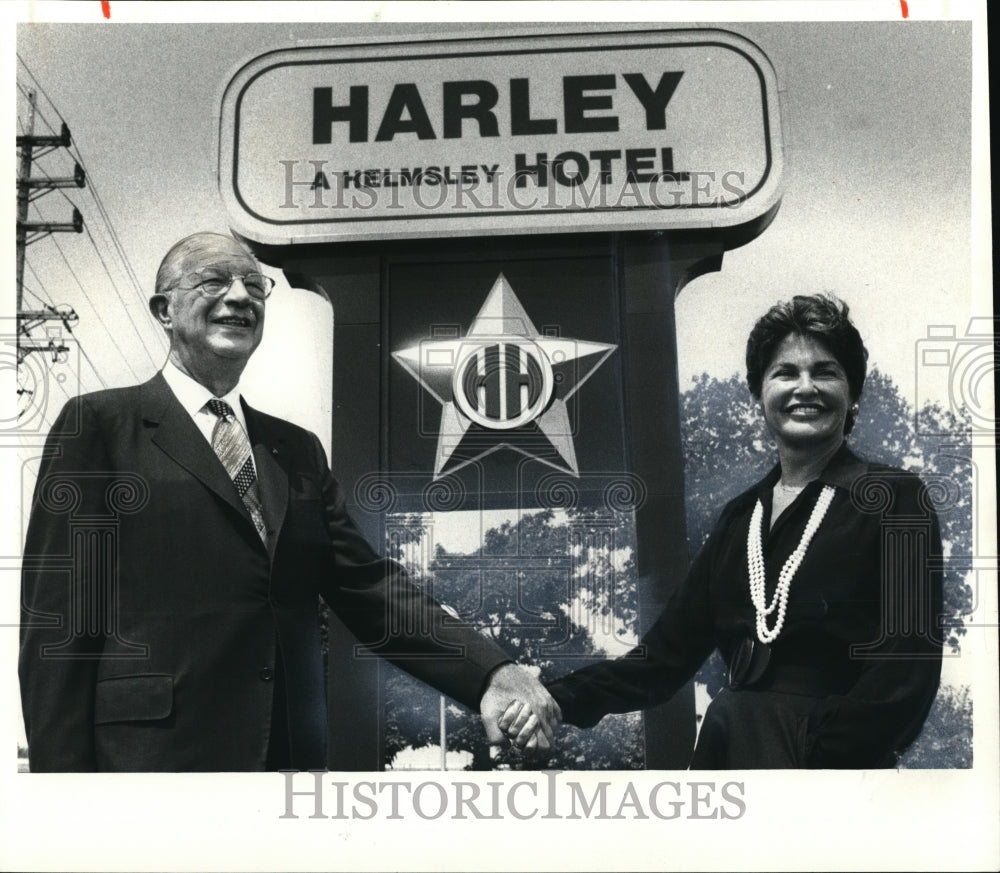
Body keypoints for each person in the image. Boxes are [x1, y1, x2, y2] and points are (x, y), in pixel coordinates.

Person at [18, 231, 558, 772]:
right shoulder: (102, 427)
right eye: (213, 281)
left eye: (255, 284)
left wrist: (491, 671)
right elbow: (61, 626)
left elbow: (367, 586)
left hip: (288, 764)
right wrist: (62, 798)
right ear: (164, 309)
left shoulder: (295, 450)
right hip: (147, 765)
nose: (239, 296)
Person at [521, 294, 943, 768]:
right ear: (759, 394)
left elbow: (906, 672)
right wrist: (554, 699)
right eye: (785, 373)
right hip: (730, 750)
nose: (805, 387)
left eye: (825, 372)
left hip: (831, 771)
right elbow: (661, 661)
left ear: (853, 393)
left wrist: (819, 759)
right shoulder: (739, 519)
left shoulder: (895, 498)